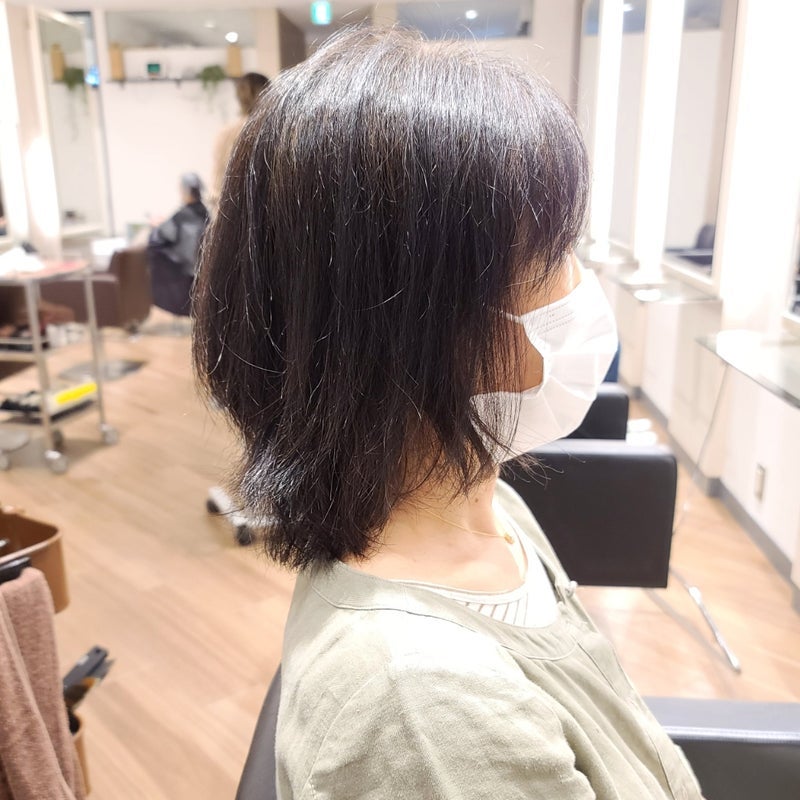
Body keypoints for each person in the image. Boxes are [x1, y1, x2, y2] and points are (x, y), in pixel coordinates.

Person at [193, 28, 704, 800]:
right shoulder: (425, 711)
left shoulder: (484, 503)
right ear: (430, 330)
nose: (581, 284)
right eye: (556, 253)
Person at [147, 172, 208, 317]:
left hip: (183, 269)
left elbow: (160, 236)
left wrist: (156, 226)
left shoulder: (182, 216)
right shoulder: (206, 213)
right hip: (199, 267)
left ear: (185, 191)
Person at [209, 72, 270, 213]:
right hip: (265, 213)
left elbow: (217, 185)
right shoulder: (272, 130)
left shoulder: (225, 134)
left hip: (230, 213)